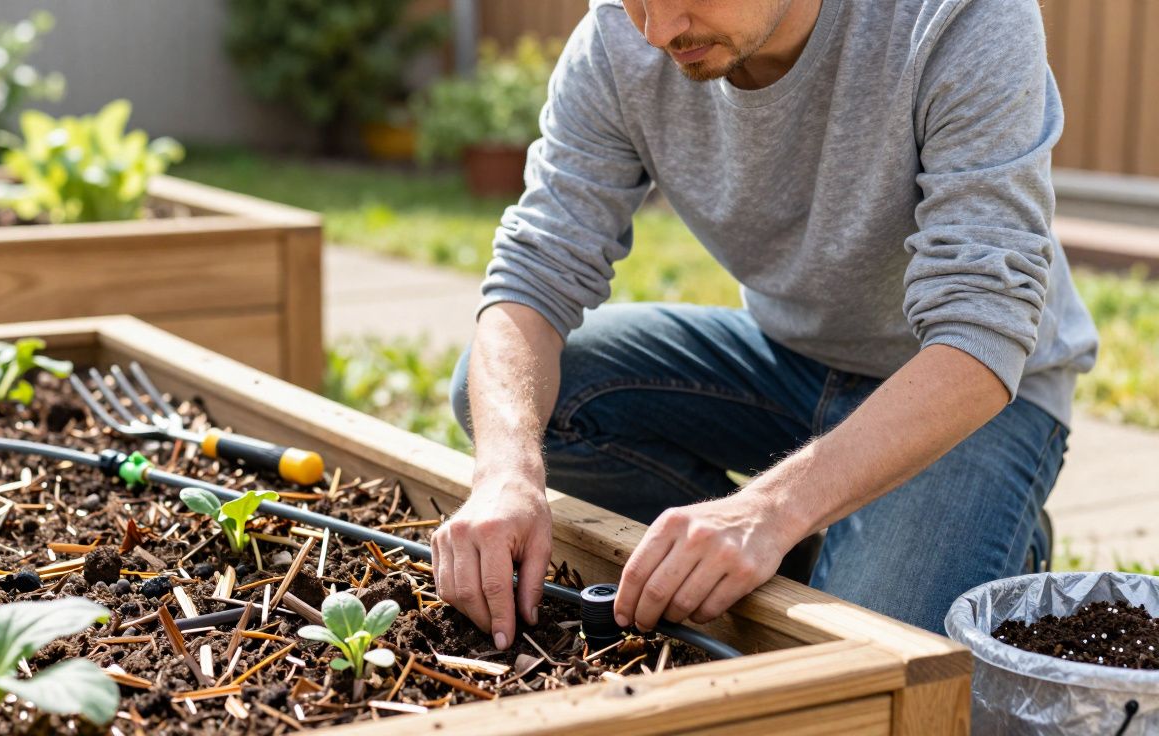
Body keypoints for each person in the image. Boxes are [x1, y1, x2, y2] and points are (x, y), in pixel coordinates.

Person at [430, 0, 1099, 650]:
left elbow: (981, 328)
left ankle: (984, 529)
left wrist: (769, 511)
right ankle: (820, 535)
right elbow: (532, 273)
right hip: (792, 358)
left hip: (970, 393)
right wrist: (504, 475)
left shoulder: (963, 16)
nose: (658, 30)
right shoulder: (618, 37)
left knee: (854, 666)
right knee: (515, 402)